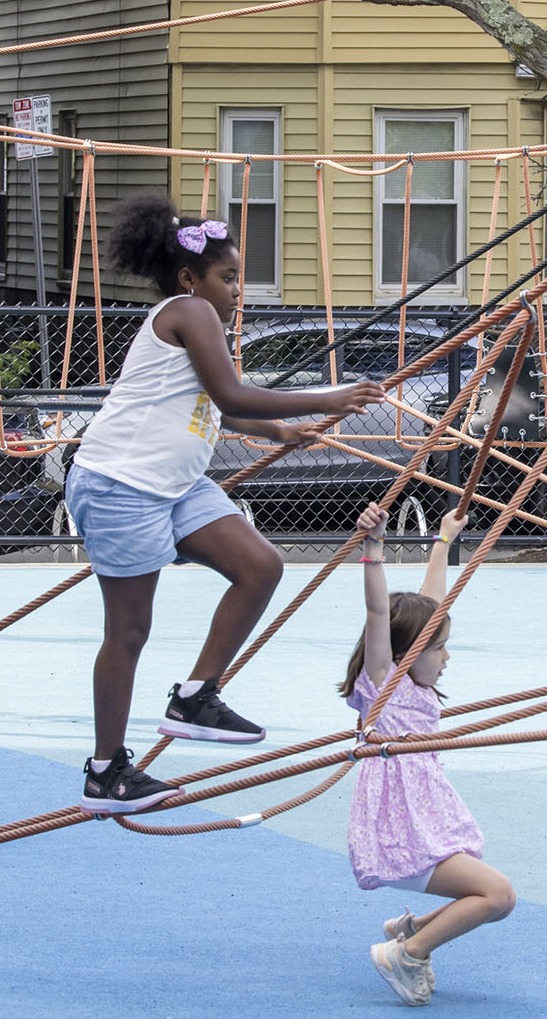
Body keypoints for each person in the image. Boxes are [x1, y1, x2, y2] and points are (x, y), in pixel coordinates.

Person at [63, 192, 384, 814]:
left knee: (260, 565)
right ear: (190, 279)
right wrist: (328, 395)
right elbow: (233, 389)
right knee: (128, 631)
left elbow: (223, 405)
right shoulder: (189, 312)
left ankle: (195, 696)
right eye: (228, 277)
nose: (239, 289)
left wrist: (279, 432)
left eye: (239, 277)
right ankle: (105, 769)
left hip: (176, 485)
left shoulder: (198, 318)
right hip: (122, 485)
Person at [347, 501, 513, 1006]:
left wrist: (443, 539)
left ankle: (412, 930)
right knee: (498, 895)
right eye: (438, 648)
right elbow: (380, 614)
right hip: (403, 826)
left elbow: (431, 603)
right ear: (406, 654)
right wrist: (373, 549)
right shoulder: (384, 685)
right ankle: (408, 951)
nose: (447, 656)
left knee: (494, 900)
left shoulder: (413, 686)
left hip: (424, 816)